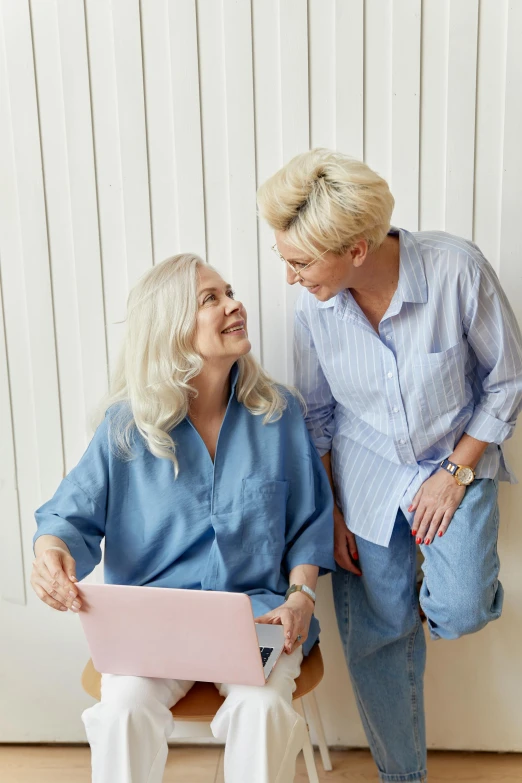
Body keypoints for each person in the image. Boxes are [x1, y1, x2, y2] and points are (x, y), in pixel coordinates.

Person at [257, 148, 522, 783]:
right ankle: (402, 777)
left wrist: (455, 474)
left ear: (355, 249)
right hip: (363, 471)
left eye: (299, 262)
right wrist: (333, 513)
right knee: (378, 633)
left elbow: (507, 382)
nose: (290, 277)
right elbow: (317, 414)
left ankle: (447, 593)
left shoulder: (457, 270)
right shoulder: (314, 306)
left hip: (453, 463)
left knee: (458, 607)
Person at [31, 253, 335, 783]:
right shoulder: (126, 427)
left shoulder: (278, 412)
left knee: (261, 709)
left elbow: (310, 521)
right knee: (122, 709)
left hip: (257, 619)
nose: (235, 305)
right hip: (152, 628)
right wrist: (51, 554)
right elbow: (66, 517)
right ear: (172, 329)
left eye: (230, 291)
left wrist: (301, 597)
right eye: (210, 299)